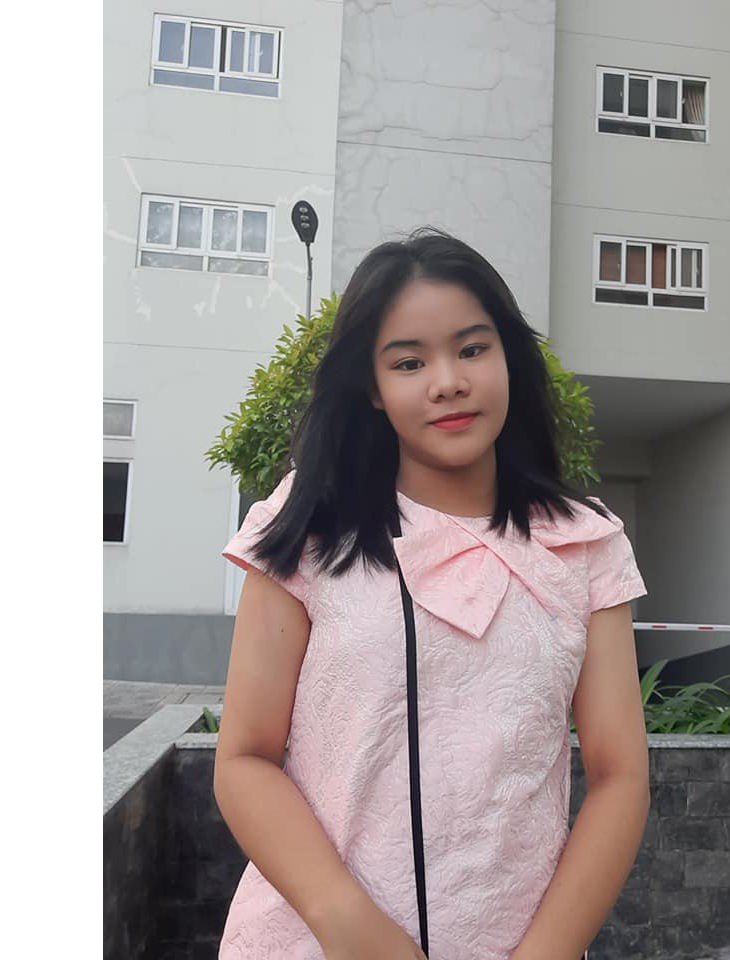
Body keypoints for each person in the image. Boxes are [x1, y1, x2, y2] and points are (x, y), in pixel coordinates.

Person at [213, 227, 651, 960]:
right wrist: (348, 924)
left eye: (472, 349)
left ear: (509, 358)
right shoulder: (310, 527)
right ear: (374, 389)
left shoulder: (585, 544)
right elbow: (244, 758)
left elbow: (619, 775)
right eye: (409, 362)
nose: (447, 381)